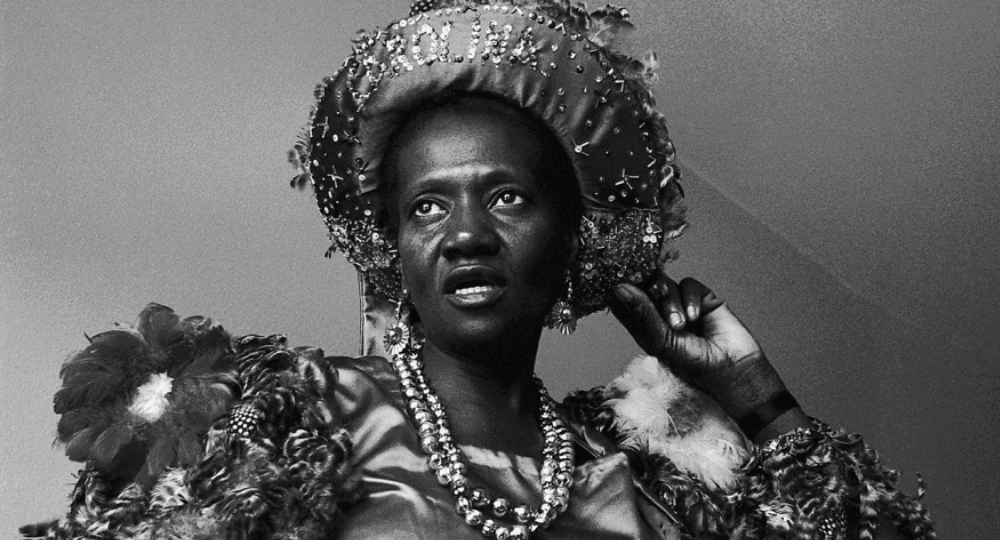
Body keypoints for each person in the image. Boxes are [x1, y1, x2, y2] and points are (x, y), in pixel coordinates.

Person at [22, 1, 935, 539]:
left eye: (506, 198)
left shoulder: (644, 471)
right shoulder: (287, 415)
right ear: (394, 245)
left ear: (570, 235)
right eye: (427, 205)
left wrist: (755, 396)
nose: (465, 234)